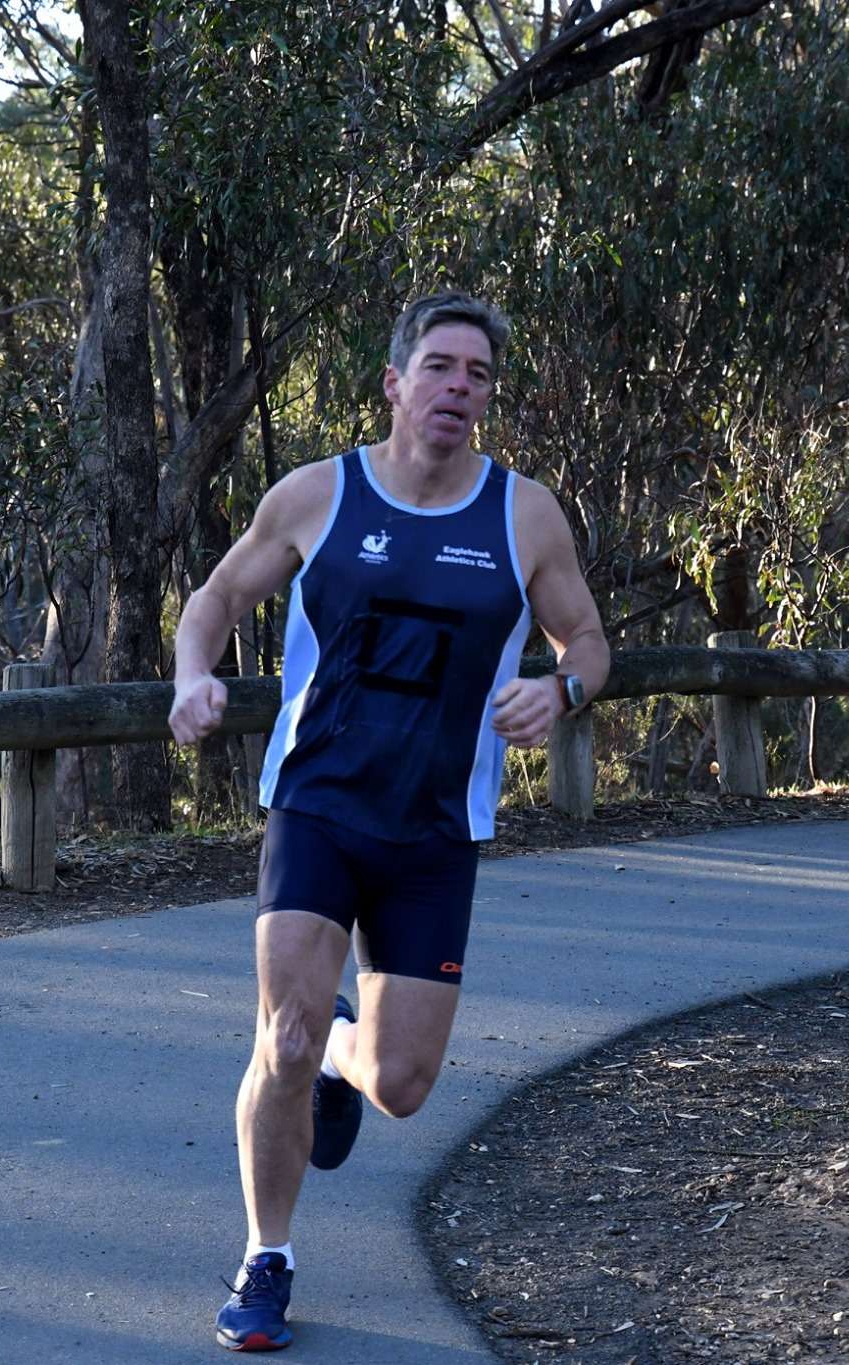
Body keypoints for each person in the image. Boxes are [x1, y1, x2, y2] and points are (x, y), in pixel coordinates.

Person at [168, 291, 609, 1352]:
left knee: (402, 1087)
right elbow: (215, 599)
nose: (461, 387)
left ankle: (338, 1057)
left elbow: (586, 637)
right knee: (280, 1032)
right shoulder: (317, 496)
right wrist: (191, 677)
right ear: (395, 382)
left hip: (432, 833)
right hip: (315, 807)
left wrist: (561, 694)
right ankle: (264, 1258)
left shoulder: (522, 515)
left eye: (479, 375)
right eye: (442, 367)